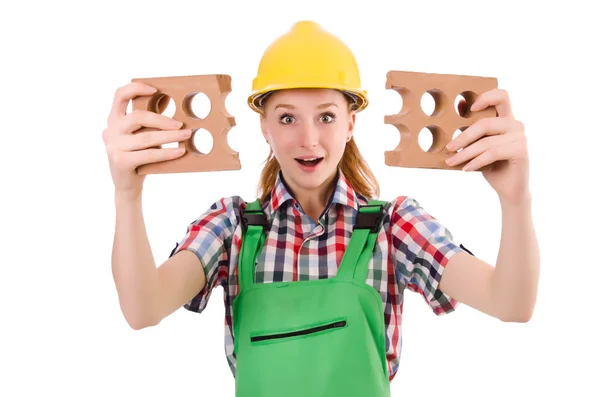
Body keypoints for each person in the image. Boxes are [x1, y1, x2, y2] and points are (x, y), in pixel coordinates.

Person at [104, 20, 539, 397]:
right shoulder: (231, 227)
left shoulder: (394, 227)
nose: (308, 139)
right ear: (264, 127)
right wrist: (128, 194)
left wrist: (515, 199)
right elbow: (143, 309)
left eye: (327, 116)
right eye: (287, 118)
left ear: (352, 122)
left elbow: (511, 303)